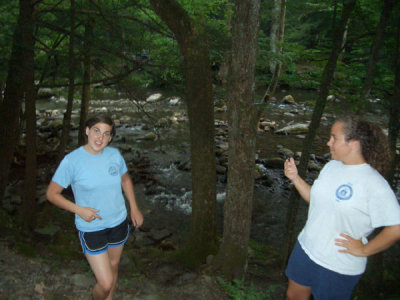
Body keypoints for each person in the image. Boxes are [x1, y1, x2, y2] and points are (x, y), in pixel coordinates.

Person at [283, 115, 400, 300]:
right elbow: (316, 200)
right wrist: (295, 179)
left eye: (334, 138)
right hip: (306, 248)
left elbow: (396, 228)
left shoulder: (374, 184)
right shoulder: (331, 166)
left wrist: (364, 250)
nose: (329, 143)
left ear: (353, 143)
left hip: (338, 265)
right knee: (294, 296)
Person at [46, 114, 143, 300]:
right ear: (87, 131)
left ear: (111, 137)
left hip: (118, 221)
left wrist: (134, 208)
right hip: (91, 228)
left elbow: (125, 179)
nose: (101, 138)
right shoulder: (72, 161)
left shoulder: (114, 155)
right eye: (97, 131)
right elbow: (51, 194)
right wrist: (79, 210)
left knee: (114, 266)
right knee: (105, 283)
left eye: (106, 134)